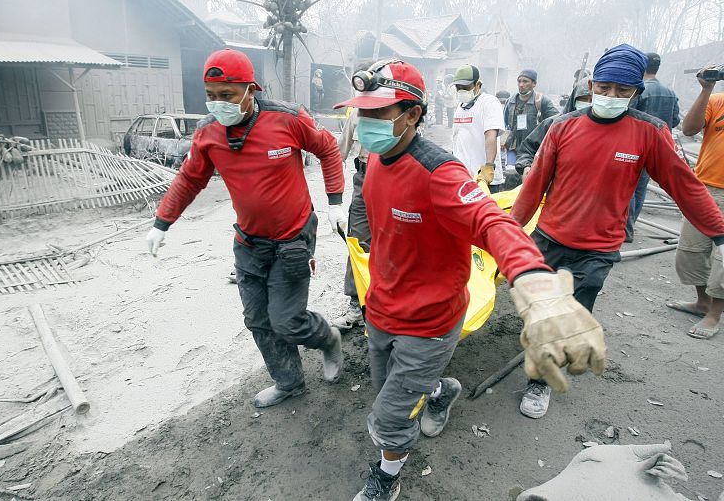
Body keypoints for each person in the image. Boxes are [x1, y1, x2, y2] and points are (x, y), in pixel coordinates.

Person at [334, 59, 607, 501]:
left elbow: (491, 223)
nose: (365, 123)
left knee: (387, 416)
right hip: (382, 308)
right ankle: (441, 390)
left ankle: (388, 476)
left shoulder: (440, 173)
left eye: (378, 114)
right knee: (390, 387)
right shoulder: (376, 164)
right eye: (361, 112)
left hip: (430, 319)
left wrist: (534, 280)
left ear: (413, 115)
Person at [511, 44, 724, 419]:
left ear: (636, 92)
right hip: (550, 237)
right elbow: (534, 186)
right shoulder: (563, 127)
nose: (611, 96)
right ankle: (544, 365)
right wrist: (510, 234)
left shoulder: (649, 132)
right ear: (592, 84)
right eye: (605, 87)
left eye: (622, 91)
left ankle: (541, 379)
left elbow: (684, 186)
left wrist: (718, 233)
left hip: (599, 246)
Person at [146, 48, 348, 408]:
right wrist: (163, 222)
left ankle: (328, 337)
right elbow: (190, 179)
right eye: (210, 96)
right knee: (258, 320)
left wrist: (334, 202)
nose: (217, 103)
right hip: (249, 242)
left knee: (286, 321)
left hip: (293, 239)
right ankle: (289, 382)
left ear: (250, 90)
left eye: (226, 95)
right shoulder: (208, 133)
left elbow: (328, 149)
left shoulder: (286, 119)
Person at [668, 66, 724, 339]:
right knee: (690, 251)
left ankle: (714, 315)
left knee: (723, 260)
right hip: (704, 189)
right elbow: (689, 129)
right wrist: (706, 89)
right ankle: (702, 302)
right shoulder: (716, 101)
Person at [624, 52, 681, 242]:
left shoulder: (639, 91)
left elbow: (627, 117)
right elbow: (674, 120)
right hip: (657, 148)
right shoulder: (670, 92)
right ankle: (631, 225)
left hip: (634, 146)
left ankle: (627, 228)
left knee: (628, 188)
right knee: (641, 188)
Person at [333, 62, 372, 330]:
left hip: (396, 181)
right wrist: (332, 200)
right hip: (364, 179)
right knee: (357, 241)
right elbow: (339, 153)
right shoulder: (356, 113)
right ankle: (356, 304)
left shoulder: (400, 111)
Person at [515, 72, 592, 177]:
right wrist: (526, 166)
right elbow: (528, 149)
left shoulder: (610, 128)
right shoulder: (555, 124)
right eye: (582, 99)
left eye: (591, 100)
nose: (587, 103)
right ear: (573, 99)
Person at [450, 64, 505, 192]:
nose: (461, 90)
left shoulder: (489, 102)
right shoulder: (460, 106)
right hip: (463, 179)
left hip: (484, 180)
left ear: (478, 85)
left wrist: (489, 166)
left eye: (465, 87)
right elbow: (457, 138)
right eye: (458, 87)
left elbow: (490, 135)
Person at [503, 68, 559, 166]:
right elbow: (503, 124)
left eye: (525, 81)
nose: (521, 84)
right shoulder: (510, 101)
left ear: (534, 84)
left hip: (532, 149)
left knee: (529, 176)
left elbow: (557, 121)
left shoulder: (542, 101)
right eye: (519, 81)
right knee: (511, 174)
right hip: (513, 147)